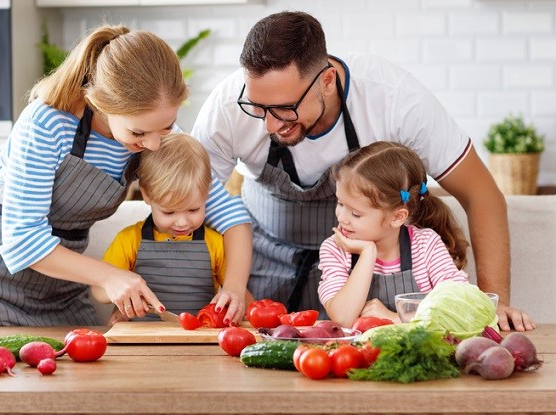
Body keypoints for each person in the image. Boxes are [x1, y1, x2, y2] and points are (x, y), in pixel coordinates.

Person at [191, 10, 534, 331]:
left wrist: (495, 304)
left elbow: (482, 195)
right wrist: (238, 293)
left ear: (326, 80)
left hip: (366, 285)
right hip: (263, 268)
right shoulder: (226, 108)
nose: (268, 125)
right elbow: (194, 206)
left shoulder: (395, 99)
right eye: (257, 107)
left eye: (284, 109)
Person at [0, 25, 252, 327]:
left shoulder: (153, 132)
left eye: (166, 127)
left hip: (65, 287)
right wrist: (110, 276)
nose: (155, 144)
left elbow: (231, 216)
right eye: (139, 132)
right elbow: (23, 241)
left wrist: (235, 287)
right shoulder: (47, 124)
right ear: (101, 103)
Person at [93, 133, 255, 323]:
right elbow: (99, 291)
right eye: (169, 213)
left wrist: (252, 313)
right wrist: (122, 294)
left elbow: (238, 294)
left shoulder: (215, 243)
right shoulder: (129, 240)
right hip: (142, 339)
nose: (182, 222)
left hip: (199, 340)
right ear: (146, 194)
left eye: (194, 209)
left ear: (207, 194)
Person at [317, 141, 469, 326]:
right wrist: (367, 254)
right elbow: (343, 317)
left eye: (356, 214)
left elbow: (461, 308)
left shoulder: (426, 246)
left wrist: (395, 318)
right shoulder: (336, 249)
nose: (342, 217)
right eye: (340, 203)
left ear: (397, 217)